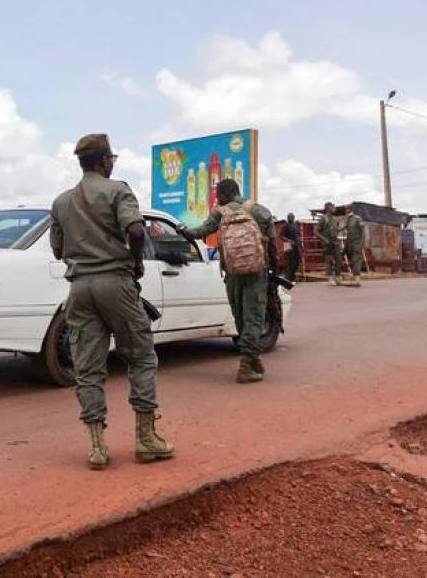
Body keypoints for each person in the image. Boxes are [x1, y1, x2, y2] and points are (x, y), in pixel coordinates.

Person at [49, 133, 175, 470]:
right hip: (116, 284)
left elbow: (57, 250)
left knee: (88, 367)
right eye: (111, 160)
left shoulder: (61, 202)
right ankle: (147, 439)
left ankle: (97, 447)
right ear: (105, 161)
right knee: (141, 356)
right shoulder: (118, 190)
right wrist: (135, 262)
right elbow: (136, 231)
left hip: (79, 289)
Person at [182, 178, 277, 384]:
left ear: (227, 194)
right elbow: (272, 245)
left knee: (241, 317)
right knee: (254, 317)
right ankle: (248, 363)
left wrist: (183, 230)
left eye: (218, 195)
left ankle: (251, 360)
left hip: (232, 273)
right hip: (256, 271)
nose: (217, 198)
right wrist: (274, 273)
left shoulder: (220, 213)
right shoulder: (259, 211)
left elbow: (199, 232)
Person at [315, 202, 343, 286]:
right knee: (329, 261)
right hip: (328, 242)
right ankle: (330, 278)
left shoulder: (334, 219)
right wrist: (324, 240)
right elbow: (316, 232)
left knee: (339, 260)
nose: (334, 208)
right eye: (332, 206)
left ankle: (338, 277)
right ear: (328, 208)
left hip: (335, 242)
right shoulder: (323, 218)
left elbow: (337, 230)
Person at [344, 207, 365, 286]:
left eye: (348, 209)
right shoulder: (347, 220)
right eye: (346, 210)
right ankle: (355, 278)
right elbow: (345, 229)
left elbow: (362, 229)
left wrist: (361, 242)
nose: (347, 211)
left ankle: (357, 280)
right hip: (349, 243)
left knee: (356, 260)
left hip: (356, 243)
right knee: (352, 260)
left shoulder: (357, 218)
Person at [280, 213, 301, 282]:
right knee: (290, 261)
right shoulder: (285, 225)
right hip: (288, 244)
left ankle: (291, 275)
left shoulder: (295, 225)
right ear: (287, 218)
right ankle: (289, 277)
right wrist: (288, 240)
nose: (291, 218)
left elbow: (297, 235)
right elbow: (280, 235)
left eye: (292, 217)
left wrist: (300, 245)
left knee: (297, 261)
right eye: (290, 217)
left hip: (296, 245)